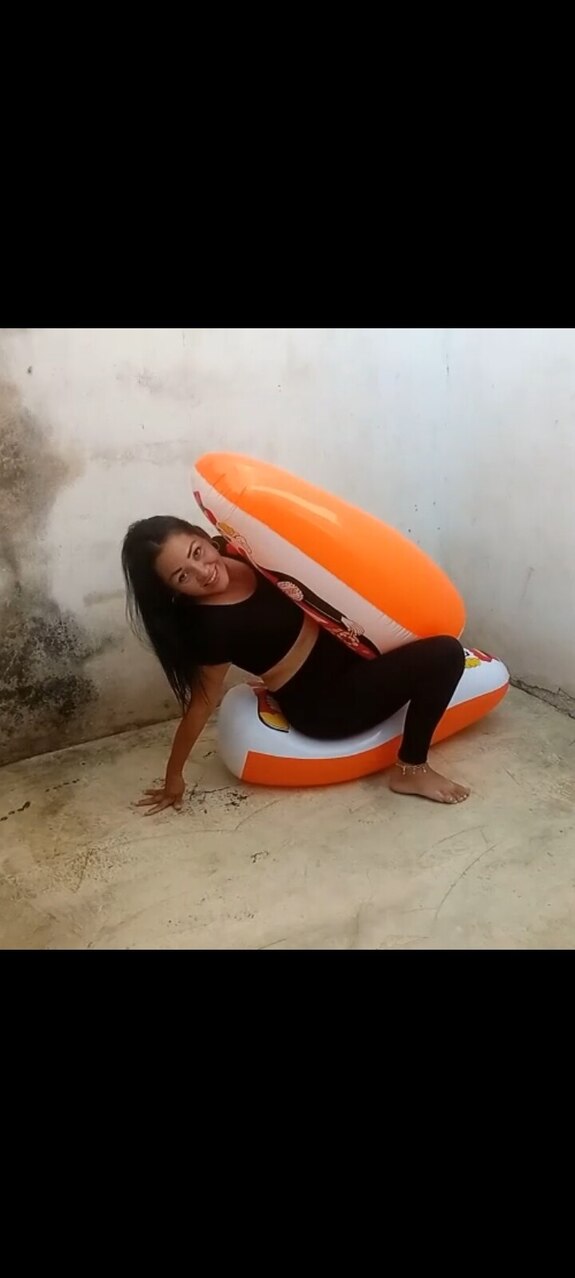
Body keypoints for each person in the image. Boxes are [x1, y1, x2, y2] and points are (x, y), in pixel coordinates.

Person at [122, 515, 470, 815]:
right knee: (446, 654)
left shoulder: (236, 548)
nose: (203, 572)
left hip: (351, 653)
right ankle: (411, 769)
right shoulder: (207, 627)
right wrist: (174, 776)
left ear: (203, 536)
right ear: (174, 591)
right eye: (182, 577)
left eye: (197, 552)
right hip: (327, 701)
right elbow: (201, 703)